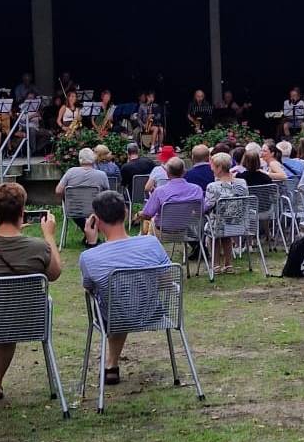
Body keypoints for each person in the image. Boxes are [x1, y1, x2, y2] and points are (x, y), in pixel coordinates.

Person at [0, 183, 62, 401]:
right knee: (8, 312)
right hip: (28, 320)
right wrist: (49, 236)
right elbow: (55, 273)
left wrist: (14, 235)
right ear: (22, 211)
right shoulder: (38, 247)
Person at [80, 191, 173, 385]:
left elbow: (89, 289)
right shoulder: (151, 243)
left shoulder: (89, 257)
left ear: (95, 220)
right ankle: (111, 364)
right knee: (125, 297)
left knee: (115, 301)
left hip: (114, 317)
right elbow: (166, 281)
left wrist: (91, 243)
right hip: (152, 314)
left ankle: (111, 364)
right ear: (125, 212)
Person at [201, 153, 249, 274]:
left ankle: (216, 265)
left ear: (219, 168)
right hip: (239, 224)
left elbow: (207, 206)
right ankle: (228, 264)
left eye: (212, 166)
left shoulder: (212, 186)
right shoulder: (242, 183)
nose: (211, 169)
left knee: (215, 227)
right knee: (225, 226)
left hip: (219, 225)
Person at [55, 147, 111, 246]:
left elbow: (58, 190)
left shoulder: (70, 172)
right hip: (96, 210)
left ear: (80, 159)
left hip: (74, 209)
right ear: (93, 159)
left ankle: (89, 234)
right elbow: (107, 194)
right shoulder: (101, 175)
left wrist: (67, 198)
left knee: (79, 213)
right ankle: (92, 234)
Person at [138, 157, 203, 235]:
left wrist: (139, 214)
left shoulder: (159, 191)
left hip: (162, 231)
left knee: (150, 222)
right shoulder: (196, 190)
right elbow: (201, 210)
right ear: (184, 172)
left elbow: (147, 215)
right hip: (186, 230)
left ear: (167, 174)